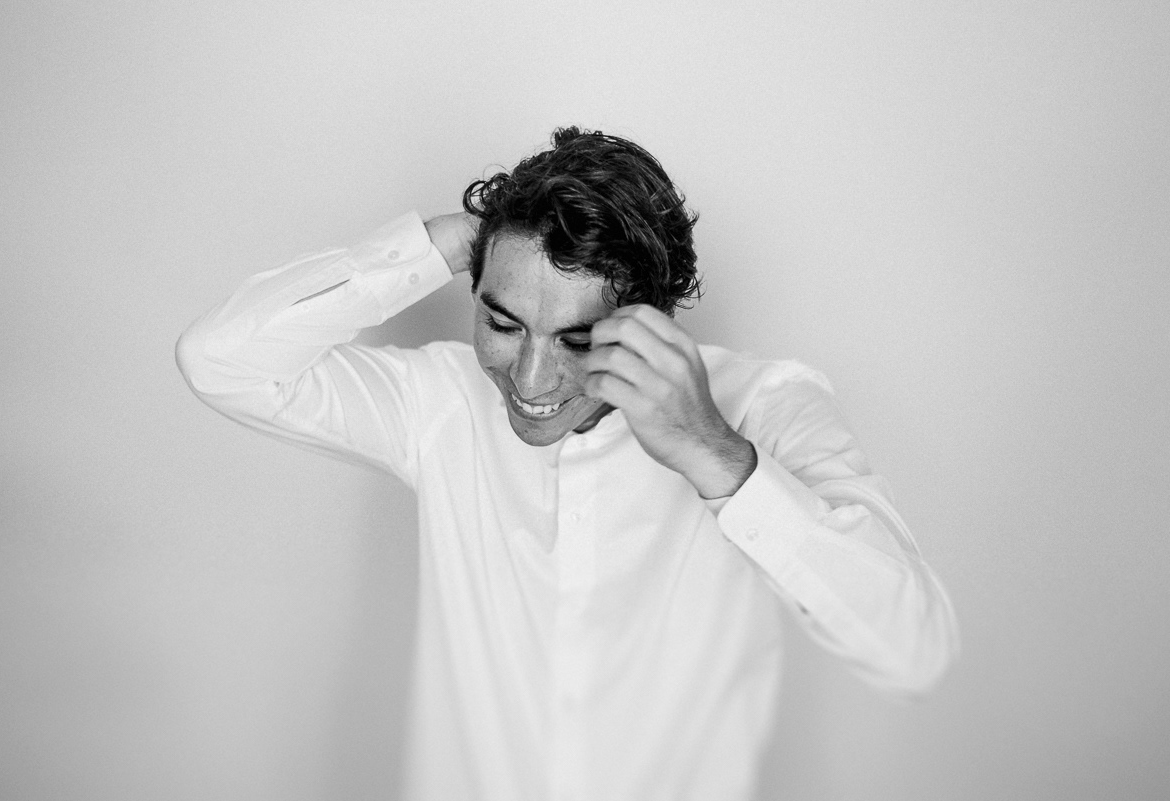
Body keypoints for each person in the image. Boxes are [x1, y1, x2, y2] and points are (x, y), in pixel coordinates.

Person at [176, 127, 958, 801]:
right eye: (503, 322)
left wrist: (714, 453)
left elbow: (913, 650)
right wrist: (452, 241)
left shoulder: (766, 403)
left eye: (577, 339)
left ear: (652, 320)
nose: (530, 378)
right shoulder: (441, 402)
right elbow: (220, 360)